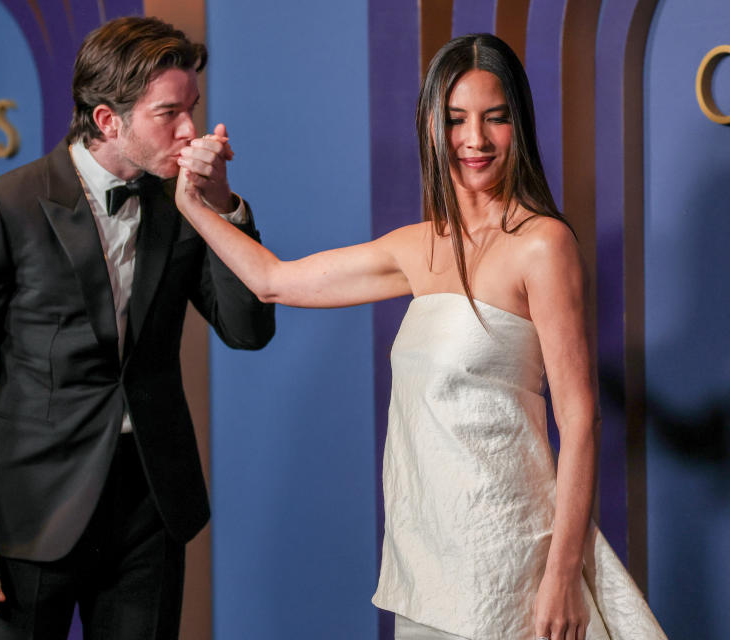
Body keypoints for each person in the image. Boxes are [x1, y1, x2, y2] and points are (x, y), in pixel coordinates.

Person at [174, 33, 665, 640]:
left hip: (511, 561)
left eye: (495, 118)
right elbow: (273, 282)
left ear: (520, 124)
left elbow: (581, 416)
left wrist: (562, 574)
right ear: (433, 125)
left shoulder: (543, 245)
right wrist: (197, 205)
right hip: (424, 562)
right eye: (456, 119)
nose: (475, 140)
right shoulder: (414, 245)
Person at [0, 16, 274, 640]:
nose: (190, 132)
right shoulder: (3, 208)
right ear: (108, 119)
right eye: (168, 113)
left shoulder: (182, 203)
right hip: (28, 516)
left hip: (151, 505)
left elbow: (248, 329)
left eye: (193, 109)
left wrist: (220, 208)